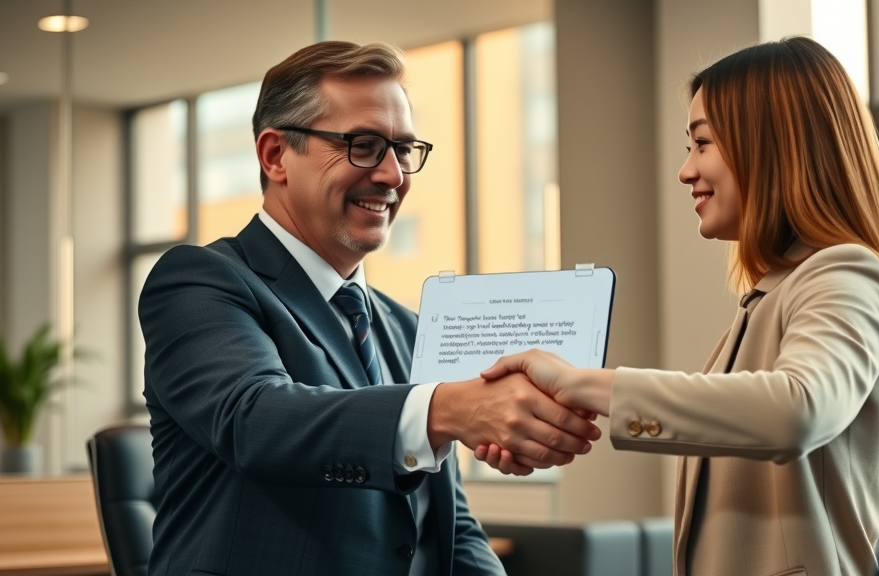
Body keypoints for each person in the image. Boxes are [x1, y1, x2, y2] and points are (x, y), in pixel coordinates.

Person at [139, 40, 600, 576]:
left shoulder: (403, 326)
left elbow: (446, 525)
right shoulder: (200, 280)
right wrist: (448, 410)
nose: (392, 175)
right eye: (363, 144)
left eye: (403, 149)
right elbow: (255, 420)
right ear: (274, 155)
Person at [476, 36, 879, 576]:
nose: (686, 171)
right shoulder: (773, 293)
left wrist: (583, 383)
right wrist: (551, 415)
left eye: (701, 144)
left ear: (771, 144)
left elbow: (795, 410)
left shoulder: (846, 271)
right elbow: (730, 419)